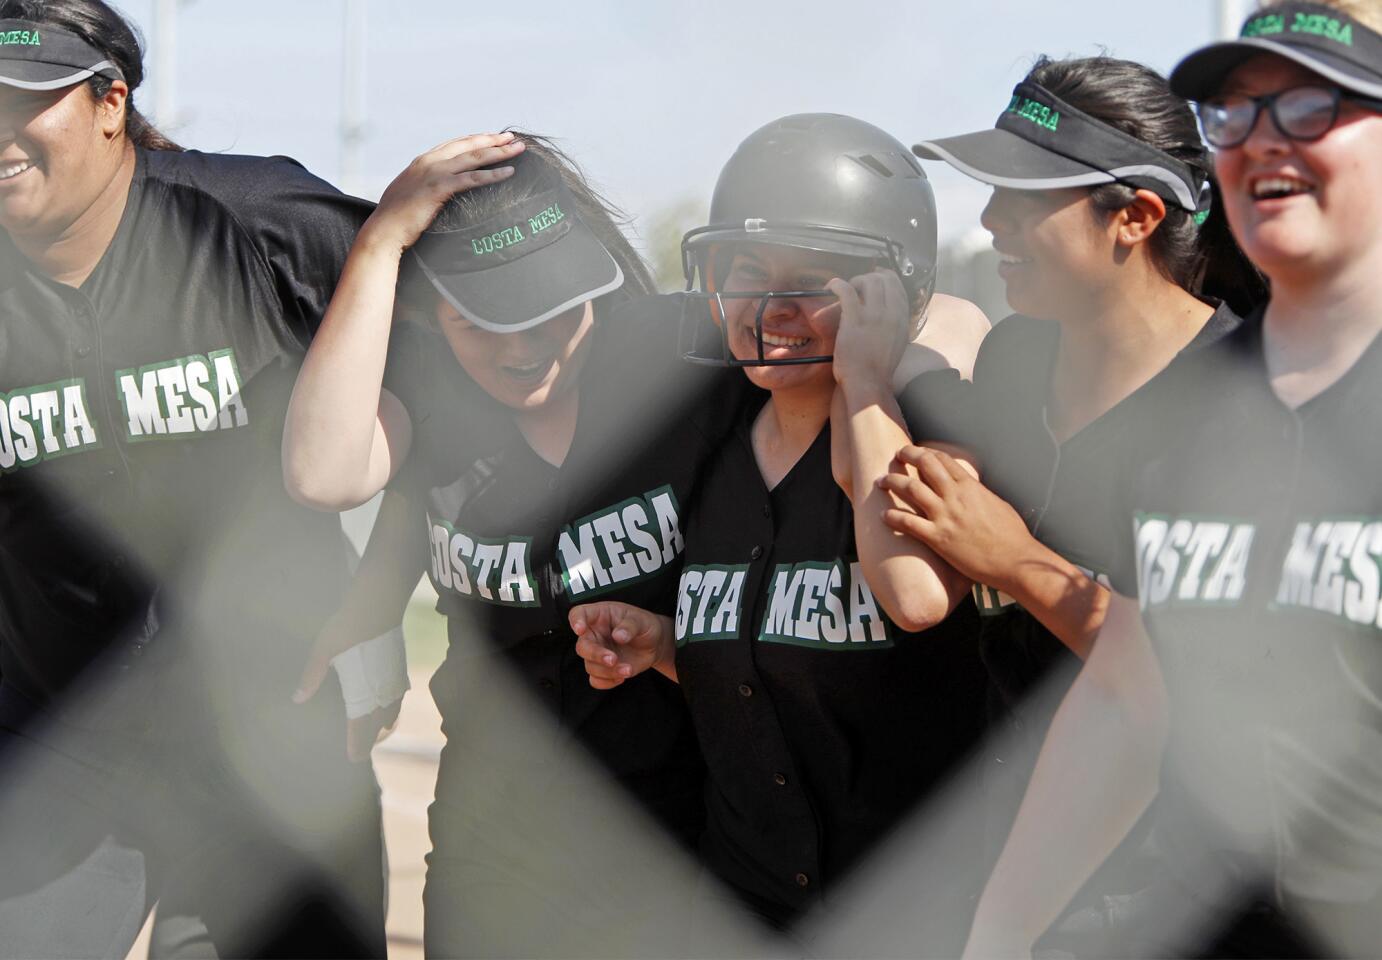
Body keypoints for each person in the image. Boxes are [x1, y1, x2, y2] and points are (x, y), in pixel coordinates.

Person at [956, 2, 1382, 955]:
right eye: (1236, 114)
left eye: (1312, 107)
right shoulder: (1219, 396)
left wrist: (1022, 563)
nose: (1264, 142)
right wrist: (999, 933)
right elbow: (1132, 686)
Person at [283, 131, 755, 957]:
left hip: (683, 824)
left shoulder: (684, 355)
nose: (520, 347)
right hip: (494, 832)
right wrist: (382, 239)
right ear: (434, 315)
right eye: (479, 322)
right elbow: (325, 474)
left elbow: (926, 324)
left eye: (547, 311)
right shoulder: (433, 400)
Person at [0, 1, 385, 956]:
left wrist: (380, 595)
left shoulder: (255, 224)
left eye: (25, 102)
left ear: (108, 103)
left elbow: (455, 353)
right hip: (58, 741)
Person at [872, 54, 1264, 955]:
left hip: (1165, 889)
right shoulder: (1016, 361)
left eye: (1024, 195)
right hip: (1004, 859)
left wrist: (1015, 562)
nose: (988, 218)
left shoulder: (1246, 403)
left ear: (1136, 216)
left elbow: (1209, 679)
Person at [570, 114, 991, 947]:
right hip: (743, 901)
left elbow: (912, 597)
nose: (772, 304)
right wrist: (664, 645)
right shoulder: (711, 443)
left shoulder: (933, 425)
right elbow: (782, 661)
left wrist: (868, 379)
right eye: (749, 271)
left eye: (814, 281)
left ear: (888, 293)